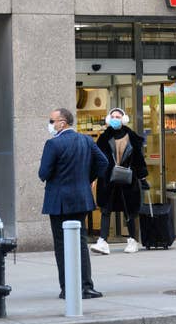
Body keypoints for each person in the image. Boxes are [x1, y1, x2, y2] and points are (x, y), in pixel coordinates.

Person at [38, 108, 108, 299]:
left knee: (61, 245)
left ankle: (68, 287)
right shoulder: (85, 140)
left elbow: (43, 173)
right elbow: (103, 163)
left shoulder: (53, 144)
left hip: (59, 201)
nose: (50, 124)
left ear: (63, 122)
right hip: (81, 198)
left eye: (52, 121)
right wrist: (86, 180)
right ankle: (86, 286)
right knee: (81, 242)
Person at [91, 107, 149, 255]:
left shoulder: (132, 137)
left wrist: (142, 177)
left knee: (129, 210)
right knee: (105, 209)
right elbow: (97, 159)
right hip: (108, 180)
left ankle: (132, 240)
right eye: (113, 116)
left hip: (128, 179)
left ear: (124, 119)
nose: (115, 119)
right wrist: (92, 177)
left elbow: (139, 159)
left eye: (118, 116)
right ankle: (103, 240)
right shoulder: (104, 138)